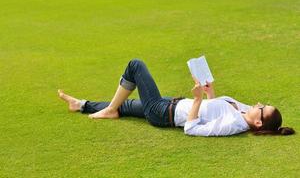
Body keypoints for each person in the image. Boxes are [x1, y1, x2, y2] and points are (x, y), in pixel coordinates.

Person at [58, 59, 295, 136]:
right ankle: (81, 104)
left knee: (135, 66)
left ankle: (108, 109)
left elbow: (192, 128)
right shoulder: (243, 111)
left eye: (262, 108)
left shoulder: (233, 125)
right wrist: (208, 90)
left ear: (259, 122)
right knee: (126, 106)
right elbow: (216, 104)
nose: (258, 103)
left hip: (164, 113)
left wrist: (199, 100)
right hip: (171, 103)